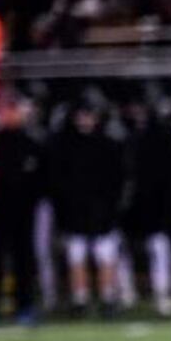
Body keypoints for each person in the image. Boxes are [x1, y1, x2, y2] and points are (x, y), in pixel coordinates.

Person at [48, 96, 125, 316]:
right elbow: (59, 182)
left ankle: (108, 298)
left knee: (105, 255)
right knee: (76, 255)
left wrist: (112, 208)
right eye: (81, 115)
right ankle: (79, 299)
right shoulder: (66, 146)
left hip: (103, 211)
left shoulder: (108, 145)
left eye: (89, 115)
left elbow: (116, 180)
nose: (85, 120)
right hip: (75, 212)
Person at [0, 93, 45, 324]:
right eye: (7, 110)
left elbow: (41, 180)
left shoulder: (31, 142)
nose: (11, 115)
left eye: (14, 110)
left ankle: (25, 307)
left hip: (23, 214)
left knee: (24, 261)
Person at [120, 95, 171, 317]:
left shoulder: (162, 134)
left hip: (157, 203)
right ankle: (126, 294)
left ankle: (162, 293)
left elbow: (170, 172)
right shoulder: (123, 134)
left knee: (159, 247)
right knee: (125, 249)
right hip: (130, 205)